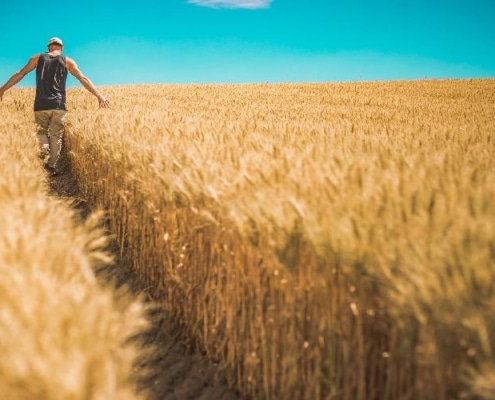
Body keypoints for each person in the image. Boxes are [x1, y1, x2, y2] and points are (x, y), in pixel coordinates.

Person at [0, 37, 110, 176]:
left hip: (41, 104)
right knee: (56, 136)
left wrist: (2, 89)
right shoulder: (68, 60)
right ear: (61, 47)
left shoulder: (37, 58)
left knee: (41, 132)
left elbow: (20, 73)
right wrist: (99, 96)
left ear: (49, 47)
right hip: (59, 105)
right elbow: (82, 78)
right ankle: (51, 166)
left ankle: (44, 147)